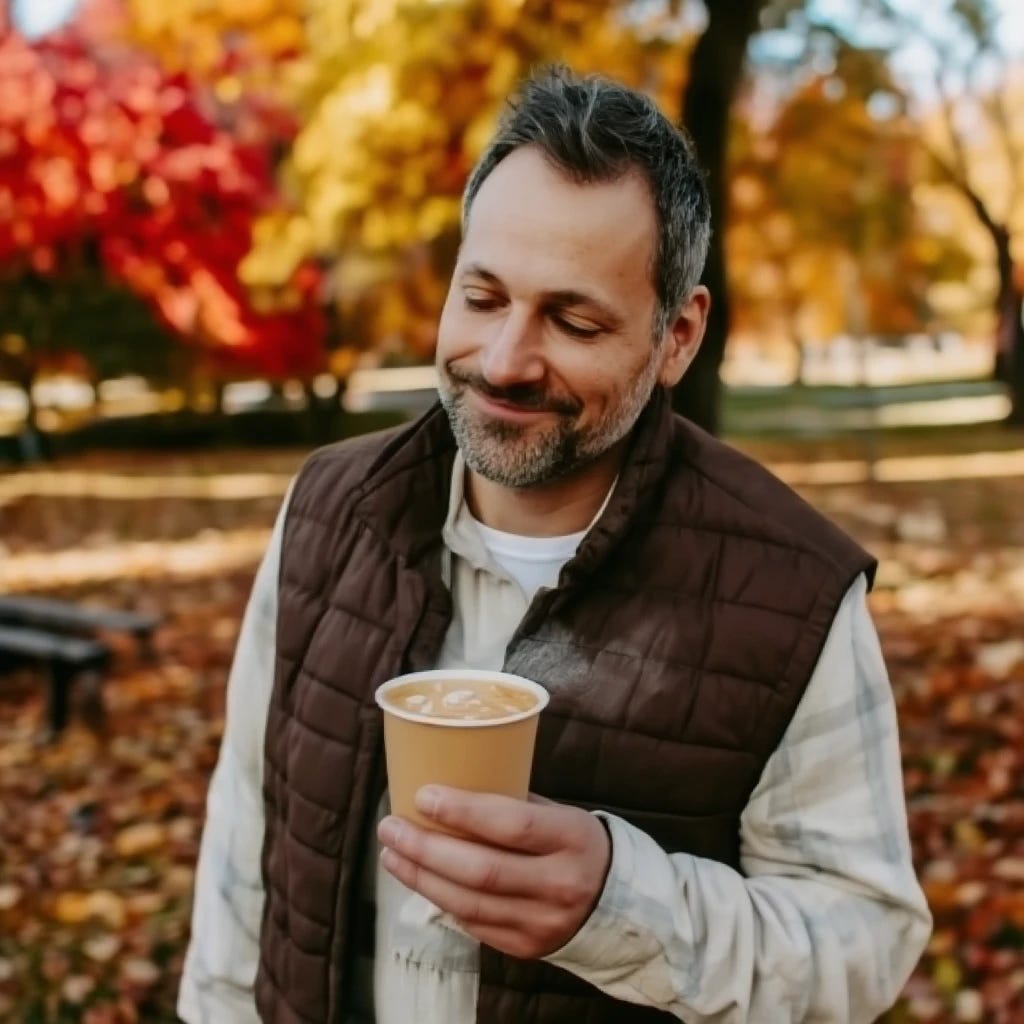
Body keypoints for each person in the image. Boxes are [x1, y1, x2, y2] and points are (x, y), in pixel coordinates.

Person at [178, 68, 931, 1024]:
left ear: (678, 337)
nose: (503, 361)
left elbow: (864, 944)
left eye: (573, 320)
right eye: (482, 296)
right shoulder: (327, 509)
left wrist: (621, 906)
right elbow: (246, 849)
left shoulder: (794, 590)